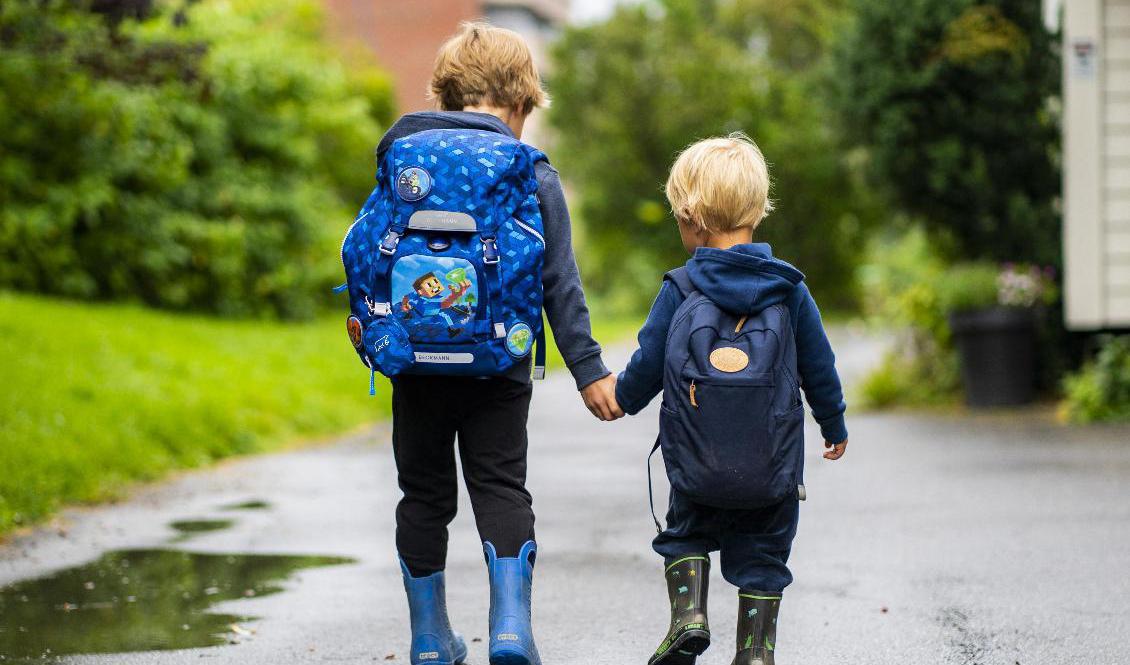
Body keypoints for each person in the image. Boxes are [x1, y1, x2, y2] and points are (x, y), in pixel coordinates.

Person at [382, 21, 622, 665]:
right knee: (500, 487)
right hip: (499, 367)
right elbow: (558, 281)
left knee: (424, 493)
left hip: (418, 363)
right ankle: (512, 633)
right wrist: (589, 370)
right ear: (521, 102)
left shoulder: (406, 159)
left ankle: (430, 641)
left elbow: (369, 255)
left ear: (447, 95)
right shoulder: (530, 172)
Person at [612, 134, 849, 665]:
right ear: (757, 211)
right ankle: (757, 652)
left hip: (697, 465)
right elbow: (819, 365)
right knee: (765, 557)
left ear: (693, 218)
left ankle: (689, 616)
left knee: (683, 535)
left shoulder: (680, 287)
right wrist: (833, 424)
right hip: (772, 470)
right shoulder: (789, 290)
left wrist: (619, 399)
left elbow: (648, 363)